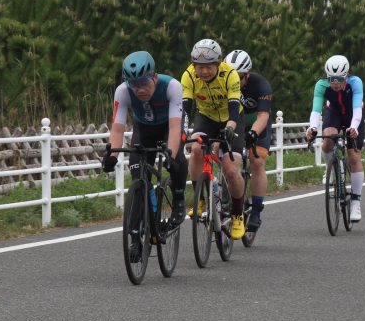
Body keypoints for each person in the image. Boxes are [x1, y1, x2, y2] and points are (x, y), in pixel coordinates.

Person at [102, 50, 188, 224]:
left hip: (169, 125)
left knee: (176, 159)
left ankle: (179, 198)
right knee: (138, 171)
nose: (139, 89)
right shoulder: (122, 91)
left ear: (154, 77)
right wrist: (112, 156)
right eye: (133, 84)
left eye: (143, 82)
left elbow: (174, 127)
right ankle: (149, 212)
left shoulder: (172, 86)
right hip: (144, 128)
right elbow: (117, 130)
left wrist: (170, 156)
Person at [181, 39, 247, 239]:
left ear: (218, 63)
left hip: (232, 119)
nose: (204, 71)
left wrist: (229, 128)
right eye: (199, 66)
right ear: (193, 65)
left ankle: (237, 214)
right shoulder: (188, 76)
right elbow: (185, 109)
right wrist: (182, 132)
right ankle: (200, 200)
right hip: (206, 117)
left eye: (209, 66)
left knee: (230, 168)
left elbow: (234, 107)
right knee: (196, 149)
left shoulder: (230, 74)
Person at [305, 55, 365, 222]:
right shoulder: (321, 85)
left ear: (347, 75)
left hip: (353, 114)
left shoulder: (355, 83)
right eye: (331, 79)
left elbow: (357, 109)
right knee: (327, 141)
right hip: (334, 113)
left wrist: (353, 127)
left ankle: (356, 202)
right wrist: (312, 127)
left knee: (354, 156)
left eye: (339, 79)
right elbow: (316, 110)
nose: (335, 83)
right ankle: (330, 168)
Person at [225, 49, 273, 232]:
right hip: (234, 123)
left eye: (239, 77)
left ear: (248, 74)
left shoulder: (261, 85)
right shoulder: (223, 83)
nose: (235, 80)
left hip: (256, 124)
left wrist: (253, 133)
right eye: (231, 76)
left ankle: (256, 211)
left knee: (257, 161)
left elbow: (263, 116)